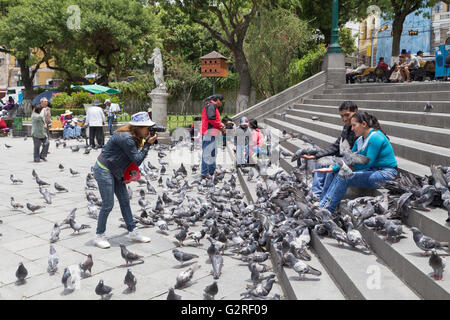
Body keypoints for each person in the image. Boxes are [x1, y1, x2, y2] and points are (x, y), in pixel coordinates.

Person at [93, 111, 158, 249]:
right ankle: (99, 235)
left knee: (124, 201)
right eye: (147, 128)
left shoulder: (132, 137)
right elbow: (137, 159)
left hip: (115, 170)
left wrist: (125, 175)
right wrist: (147, 145)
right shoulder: (127, 138)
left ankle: (133, 231)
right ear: (138, 128)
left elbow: (127, 159)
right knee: (108, 204)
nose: (149, 131)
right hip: (104, 169)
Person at [317, 111, 398, 213]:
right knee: (339, 172)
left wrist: (346, 168)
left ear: (364, 124)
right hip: (372, 170)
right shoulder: (359, 140)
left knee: (344, 176)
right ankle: (322, 205)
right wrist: (333, 168)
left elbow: (367, 163)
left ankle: (327, 210)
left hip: (387, 174)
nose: (352, 129)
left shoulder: (376, 137)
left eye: (354, 125)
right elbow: (349, 159)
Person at [302, 101, 358, 200]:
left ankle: (324, 199)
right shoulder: (347, 127)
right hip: (345, 157)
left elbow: (357, 155)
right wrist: (316, 155)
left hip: (354, 162)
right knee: (321, 160)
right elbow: (336, 146)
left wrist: (337, 164)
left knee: (331, 168)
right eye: (342, 116)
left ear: (356, 111)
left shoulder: (360, 128)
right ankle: (316, 194)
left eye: (347, 115)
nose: (344, 119)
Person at [201, 94, 225, 179]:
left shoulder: (212, 106)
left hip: (212, 132)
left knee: (213, 153)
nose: (221, 103)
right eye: (221, 101)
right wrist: (220, 125)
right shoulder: (211, 106)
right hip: (209, 132)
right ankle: (204, 172)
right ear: (217, 100)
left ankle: (212, 170)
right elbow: (211, 119)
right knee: (207, 153)